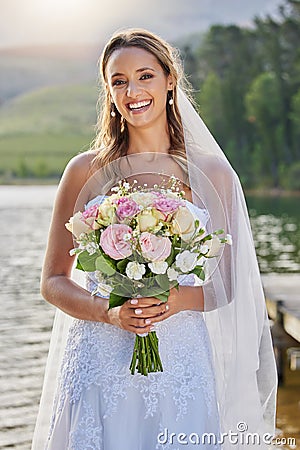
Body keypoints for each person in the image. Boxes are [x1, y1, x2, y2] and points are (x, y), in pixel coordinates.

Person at [32, 29, 277, 450]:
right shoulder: (83, 172)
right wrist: (106, 313)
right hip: (99, 357)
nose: (133, 91)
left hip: (180, 360)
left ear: (169, 81)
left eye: (145, 76)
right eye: (119, 81)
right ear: (109, 92)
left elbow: (227, 285)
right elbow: (53, 281)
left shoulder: (212, 174)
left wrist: (177, 299)